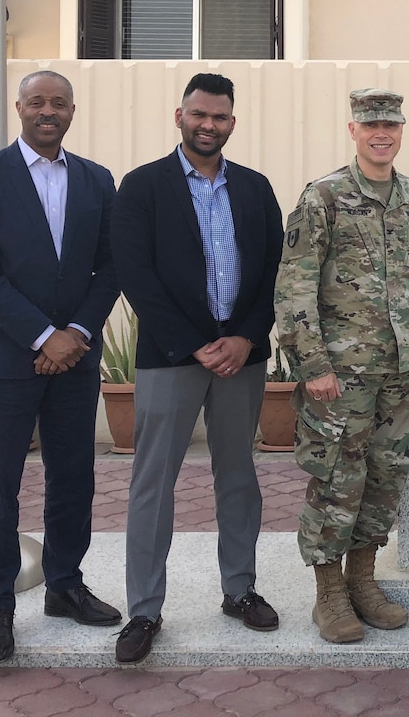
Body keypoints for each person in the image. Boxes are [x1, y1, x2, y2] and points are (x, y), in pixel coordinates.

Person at [108, 73, 284, 664]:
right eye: (199, 115)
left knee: (239, 475)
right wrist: (193, 343)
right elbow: (135, 274)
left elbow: (272, 274)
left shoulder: (256, 189)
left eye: (221, 117)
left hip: (242, 357)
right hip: (170, 357)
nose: (209, 125)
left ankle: (240, 591)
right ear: (178, 116)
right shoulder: (142, 186)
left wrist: (243, 336)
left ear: (233, 122)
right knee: (153, 484)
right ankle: (144, 610)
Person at [0, 70, 123, 665]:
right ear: (20, 108)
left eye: (59, 103)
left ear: (72, 111)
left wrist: (74, 334)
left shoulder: (97, 180)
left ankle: (65, 585)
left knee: (73, 476)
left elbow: (112, 267)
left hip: (74, 359)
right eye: (37, 102)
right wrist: (42, 335)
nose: (47, 111)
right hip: (2, 359)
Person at [274, 88, 409, 644]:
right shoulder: (323, 196)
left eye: (391, 126)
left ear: (401, 131)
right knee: (336, 479)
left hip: (399, 371)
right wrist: (312, 364)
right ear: (353, 131)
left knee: (384, 475)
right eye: (371, 125)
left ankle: (364, 581)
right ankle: (329, 594)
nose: (381, 134)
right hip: (340, 375)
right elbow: (294, 285)